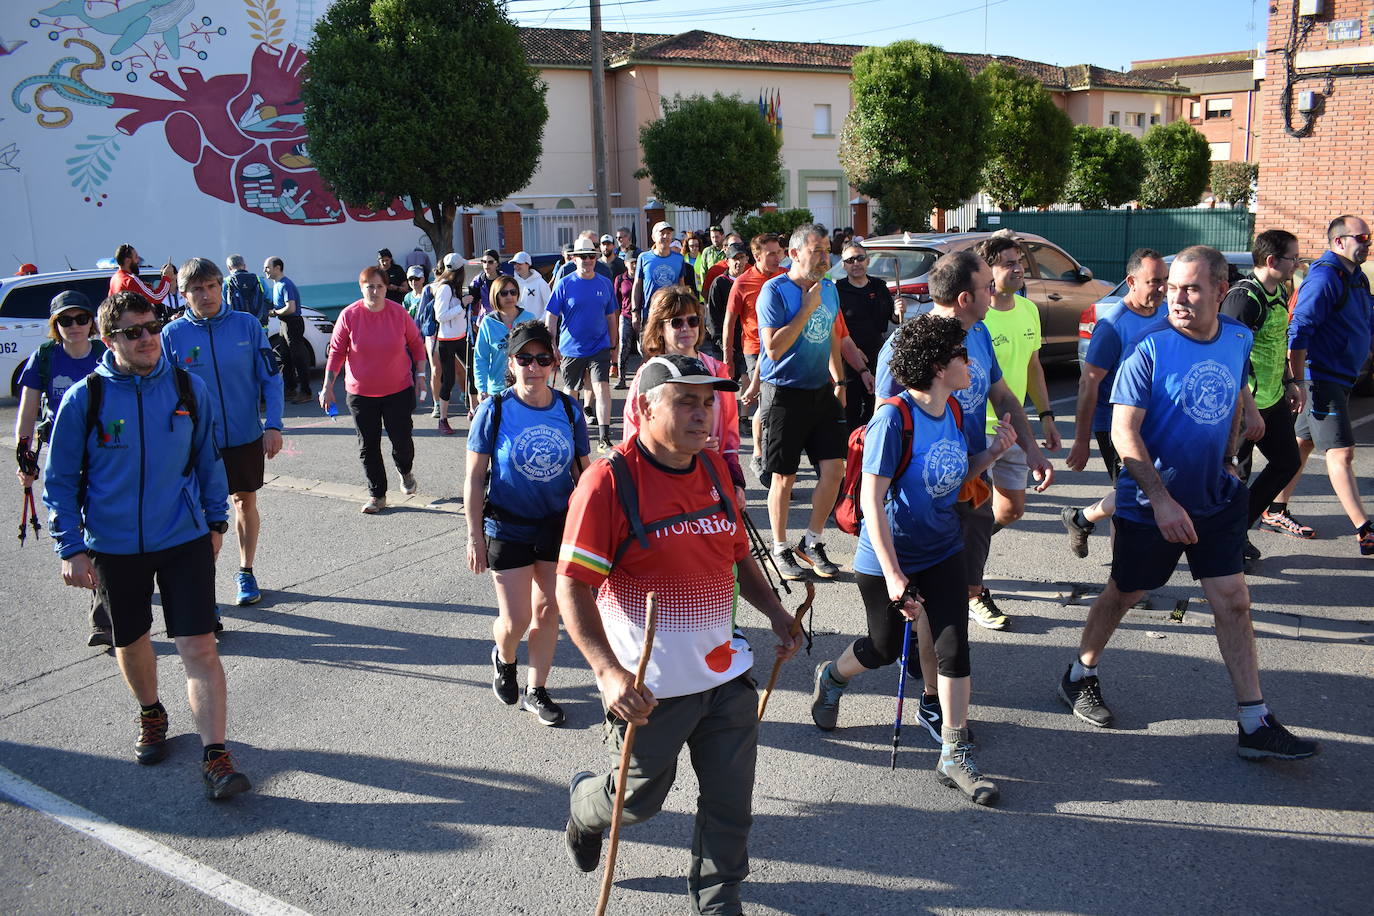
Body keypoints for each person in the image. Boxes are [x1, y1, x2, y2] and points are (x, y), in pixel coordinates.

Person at [558, 354, 800, 914]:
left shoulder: (714, 469)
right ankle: (584, 807)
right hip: (649, 690)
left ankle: (718, 900)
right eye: (685, 401)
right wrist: (608, 673)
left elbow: (736, 555)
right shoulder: (608, 482)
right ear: (644, 407)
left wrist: (774, 611)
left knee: (730, 804)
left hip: (725, 676)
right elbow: (572, 586)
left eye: (708, 402)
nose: (702, 413)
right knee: (635, 802)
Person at [1058, 246, 1318, 760]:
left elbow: (1232, 391)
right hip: (1150, 503)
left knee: (1233, 601)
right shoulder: (1148, 349)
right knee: (1126, 593)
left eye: (1191, 288)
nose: (1176, 298)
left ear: (1220, 291)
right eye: (1173, 287)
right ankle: (1079, 673)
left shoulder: (1238, 336)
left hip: (1214, 498)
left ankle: (1254, 721)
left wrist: (1229, 457)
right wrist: (1160, 501)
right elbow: (1125, 433)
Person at [43, 290, 252, 799]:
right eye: (133, 332)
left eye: (153, 327)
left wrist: (216, 523)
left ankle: (216, 755)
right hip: (114, 546)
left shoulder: (187, 387)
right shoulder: (86, 398)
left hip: (183, 538)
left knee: (199, 647)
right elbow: (60, 480)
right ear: (108, 339)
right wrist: (70, 547)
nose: (147, 338)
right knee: (131, 641)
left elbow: (208, 460)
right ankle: (151, 712)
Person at [811, 315, 1014, 804]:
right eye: (963, 356)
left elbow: (956, 472)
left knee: (953, 647)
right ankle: (832, 676)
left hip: (942, 547)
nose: (971, 364)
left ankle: (953, 754)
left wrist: (993, 453)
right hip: (888, 556)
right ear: (940, 366)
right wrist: (895, 576)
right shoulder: (893, 419)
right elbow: (870, 501)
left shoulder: (956, 410)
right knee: (884, 649)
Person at [874, 250, 1054, 632]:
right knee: (903, 629)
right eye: (987, 287)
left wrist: (1032, 449)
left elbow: (1002, 396)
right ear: (964, 298)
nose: (994, 292)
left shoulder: (980, 333)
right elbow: (883, 420)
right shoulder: (906, 343)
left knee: (968, 561)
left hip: (971, 470)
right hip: (921, 489)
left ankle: (969, 602)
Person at [466, 322, 590, 727]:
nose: (533, 367)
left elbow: (583, 474)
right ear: (511, 363)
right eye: (524, 359)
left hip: (556, 526)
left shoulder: (569, 409)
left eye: (542, 358)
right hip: (507, 526)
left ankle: (536, 690)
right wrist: (474, 537)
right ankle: (504, 657)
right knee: (516, 620)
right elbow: (474, 478)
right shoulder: (495, 409)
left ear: (553, 363)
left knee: (549, 610)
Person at [162, 258, 285, 607]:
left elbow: (270, 378)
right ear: (184, 294)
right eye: (197, 289)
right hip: (197, 444)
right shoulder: (172, 335)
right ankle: (204, 589)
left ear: (221, 287)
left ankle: (246, 571)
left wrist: (273, 425)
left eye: (212, 286)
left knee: (244, 501)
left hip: (244, 435)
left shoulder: (247, 325)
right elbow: (163, 394)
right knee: (202, 515)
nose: (206, 294)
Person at [14, 290, 111, 647]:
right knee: (78, 528)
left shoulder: (105, 354)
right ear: (55, 325)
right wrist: (25, 459)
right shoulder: (44, 358)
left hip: (105, 456)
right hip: (64, 459)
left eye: (81, 318)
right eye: (65, 320)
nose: (75, 326)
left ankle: (103, 619)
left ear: (92, 322)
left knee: (99, 530)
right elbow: (27, 413)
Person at [1273, 215, 1374, 554]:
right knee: (1341, 452)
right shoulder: (1325, 277)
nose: (1368, 242)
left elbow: (1366, 321)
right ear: (1339, 241)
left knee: (1302, 445)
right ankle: (1365, 530)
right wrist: (1297, 381)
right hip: (1321, 378)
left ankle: (1275, 509)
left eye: (1369, 237)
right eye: (1361, 237)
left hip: (1340, 376)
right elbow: (1299, 330)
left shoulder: (1356, 276)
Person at [1062, 249, 1168, 557]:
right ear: (1131, 282)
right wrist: (1081, 440)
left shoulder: (1165, 313)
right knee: (1131, 496)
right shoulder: (1113, 326)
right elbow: (1088, 383)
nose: (1162, 288)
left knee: (1144, 490)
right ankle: (1124, 570)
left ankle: (1083, 518)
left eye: (1164, 280)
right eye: (1154, 281)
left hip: (1154, 421)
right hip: (1116, 425)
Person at [756, 223, 847, 581]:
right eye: (817, 250)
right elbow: (773, 349)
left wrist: (839, 380)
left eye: (827, 250)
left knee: (834, 470)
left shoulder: (830, 289)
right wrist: (806, 308)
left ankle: (812, 541)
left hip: (821, 391)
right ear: (794, 254)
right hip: (784, 393)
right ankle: (779, 548)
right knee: (784, 477)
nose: (825, 257)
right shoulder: (774, 291)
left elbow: (832, 337)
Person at [1219, 229, 1305, 561]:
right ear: (1271, 260)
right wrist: (1248, 407)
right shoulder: (1243, 299)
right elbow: (1228, 358)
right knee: (1236, 477)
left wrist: (1290, 381)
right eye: (1293, 258)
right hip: (1244, 406)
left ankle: (1236, 530)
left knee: (1287, 462)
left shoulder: (1280, 291)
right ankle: (1224, 545)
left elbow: (1277, 342)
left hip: (1272, 399)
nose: (1296, 264)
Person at [623, 286, 746, 504]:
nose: (686, 328)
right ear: (660, 328)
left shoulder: (717, 371)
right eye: (676, 322)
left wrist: (736, 482)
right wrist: (687, 446)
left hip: (711, 479)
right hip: (662, 483)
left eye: (693, 320)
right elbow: (633, 437)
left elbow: (730, 435)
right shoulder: (647, 376)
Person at [322, 266, 428, 513]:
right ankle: (377, 495)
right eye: (369, 286)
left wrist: (421, 375)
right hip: (360, 394)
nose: (375, 291)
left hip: (398, 390)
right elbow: (336, 352)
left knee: (402, 441)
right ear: (361, 288)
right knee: (368, 446)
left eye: (379, 286)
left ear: (386, 288)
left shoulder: (398, 313)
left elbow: (416, 344)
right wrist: (327, 386)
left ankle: (405, 471)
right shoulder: (349, 315)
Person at [976, 237, 1061, 537]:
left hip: (1014, 427)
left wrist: (1046, 416)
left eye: (1019, 262)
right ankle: (968, 558)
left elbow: (1033, 366)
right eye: (1009, 264)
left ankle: (973, 545)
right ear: (988, 270)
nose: (1018, 269)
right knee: (974, 510)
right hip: (978, 430)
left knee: (1012, 510)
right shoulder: (978, 316)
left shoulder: (1029, 310)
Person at [545, 237, 618, 452]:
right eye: (582, 256)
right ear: (574, 259)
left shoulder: (604, 283)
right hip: (571, 348)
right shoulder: (564, 283)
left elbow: (611, 317)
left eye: (591, 256)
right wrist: (552, 344)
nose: (587, 260)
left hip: (599, 346)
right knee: (571, 391)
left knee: (602, 388)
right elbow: (551, 316)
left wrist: (614, 345)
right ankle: (571, 432)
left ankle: (604, 438)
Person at [724, 233, 785, 477]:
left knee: (779, 402)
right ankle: (760, 455)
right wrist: (728, 357)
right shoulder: (743, 282)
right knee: (765, 402)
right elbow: (729, 321)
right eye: (771, 254)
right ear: (757, 256)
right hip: (755, 349)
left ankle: (775, 454)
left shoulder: (785, 276)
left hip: (784, 346)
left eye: (779, 252)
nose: (777, 258)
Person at [834, 242, 896, 431]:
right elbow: (834, 328)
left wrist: (897, 311)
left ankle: (872, 441)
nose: (856, 263)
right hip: (848, 356)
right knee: (850, 407)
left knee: (875, 404)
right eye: (850, 260)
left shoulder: (879, 286)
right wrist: (853, 350)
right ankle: (851, 444)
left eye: (860, 258)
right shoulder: (838, 290)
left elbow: (892, 318)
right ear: (843, 265)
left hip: (877, 354)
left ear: (868, 261)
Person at [473, 275, 537, 399]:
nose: (509, 296)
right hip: (497, 389)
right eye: (504, 293)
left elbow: (538, 353)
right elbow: (481, 358)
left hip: (526, 387)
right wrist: (481, 389)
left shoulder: (529, 318)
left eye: (513, 292)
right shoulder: (488, 322)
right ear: (495, 295)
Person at [431, 254, 472, 436]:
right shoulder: (445, 288)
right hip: (447, 340)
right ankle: (443, 419)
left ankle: (473, 410)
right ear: (459, 270)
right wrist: (462, 304)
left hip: (460, 337)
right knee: (448, 380)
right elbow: (440, 316)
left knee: (473, 371)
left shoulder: (454, 287)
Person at [264, 256, 312, 404]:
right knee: (285, 357)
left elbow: (290, 308)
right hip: (284, 323)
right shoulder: (277, 284)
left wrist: (274, 312)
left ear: (277, 268)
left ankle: (305, 392)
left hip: (293, 323)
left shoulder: (286, 284)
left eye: (267, 267)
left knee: (298, 358)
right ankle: (290, 389)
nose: (265, 270)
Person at [632, 221, 697, 329]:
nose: (666, 236)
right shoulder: (643, 257)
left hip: (673, 314)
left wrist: (684, 309)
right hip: (650, 313)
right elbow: (637, 285)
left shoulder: (679, 258)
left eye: (668, 233)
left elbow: (681, 285)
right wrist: (635, 312)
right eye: (662, 233)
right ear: (653, 237)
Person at [705, 241, 750, 367]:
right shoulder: (719, 283)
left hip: (747, 343)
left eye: (741, 257)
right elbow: (713, 316)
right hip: (724, 345)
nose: (738, 262)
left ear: (747, 259)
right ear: (727, 261)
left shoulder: (750, 281)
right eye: (735, 258)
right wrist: (721, 342)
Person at [109, 243, 176, 318]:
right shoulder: (130, 280)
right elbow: (157, 297)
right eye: (136, 257)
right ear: (127, 261)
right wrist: (166, 277)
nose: (138, 260)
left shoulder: (115, 278)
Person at [613, 253, 638, 390]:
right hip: (625, 316)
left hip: (641, 316)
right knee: (624, 348)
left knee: (644, 348)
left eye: (636, 262)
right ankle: (621, 379)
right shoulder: (620, 279)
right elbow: (616, 302)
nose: (634, 265)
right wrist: (616, 322)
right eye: (631, 262)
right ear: (626, 263)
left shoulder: (642, 277)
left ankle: (644, 379)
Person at [222, 255, 270, 327]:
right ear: (244, 266)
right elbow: (269, 299)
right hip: (259, 326)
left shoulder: (226, 282)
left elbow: (223, 305)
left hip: (237, 327)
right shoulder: (259, 280)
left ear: (229, 267)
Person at [510, 251, 552, 320]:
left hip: (535, 324)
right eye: (514, 263)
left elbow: (549, 306)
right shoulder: (512, 283)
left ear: (528, 264)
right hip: (517, 325)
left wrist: (540, 322)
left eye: (519, 263)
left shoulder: (540, 282)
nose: (516, 266)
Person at [694, 224, 728, 292]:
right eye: (712, 237)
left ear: (723, 236)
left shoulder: (728, 251)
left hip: (725, 287)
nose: (715, 240)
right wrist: (705, 289)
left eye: (717, 237)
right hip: (710, 288)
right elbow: (703, 271)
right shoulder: (707, 251)